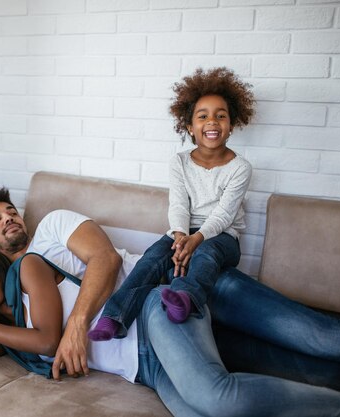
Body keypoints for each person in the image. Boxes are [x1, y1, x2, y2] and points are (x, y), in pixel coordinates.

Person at [0, 244, 340, 416]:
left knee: (218, 397)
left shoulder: (28, 270)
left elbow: (47, 339)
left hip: (157, 316)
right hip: (148, 369)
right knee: (200, 415)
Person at [90, 67, 253, 342]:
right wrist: (180, 237)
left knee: (207, 254)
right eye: (203, 116)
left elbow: (224, 215)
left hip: (223, 237)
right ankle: (114, 317)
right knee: (152, 258)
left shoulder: (241, 168)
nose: (212, 122)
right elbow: (178, 204)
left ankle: (185, 299)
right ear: (189, 126)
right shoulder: (178, 162)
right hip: (184, 230)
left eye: (220, 116)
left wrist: (197, 239)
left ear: (231, 125)